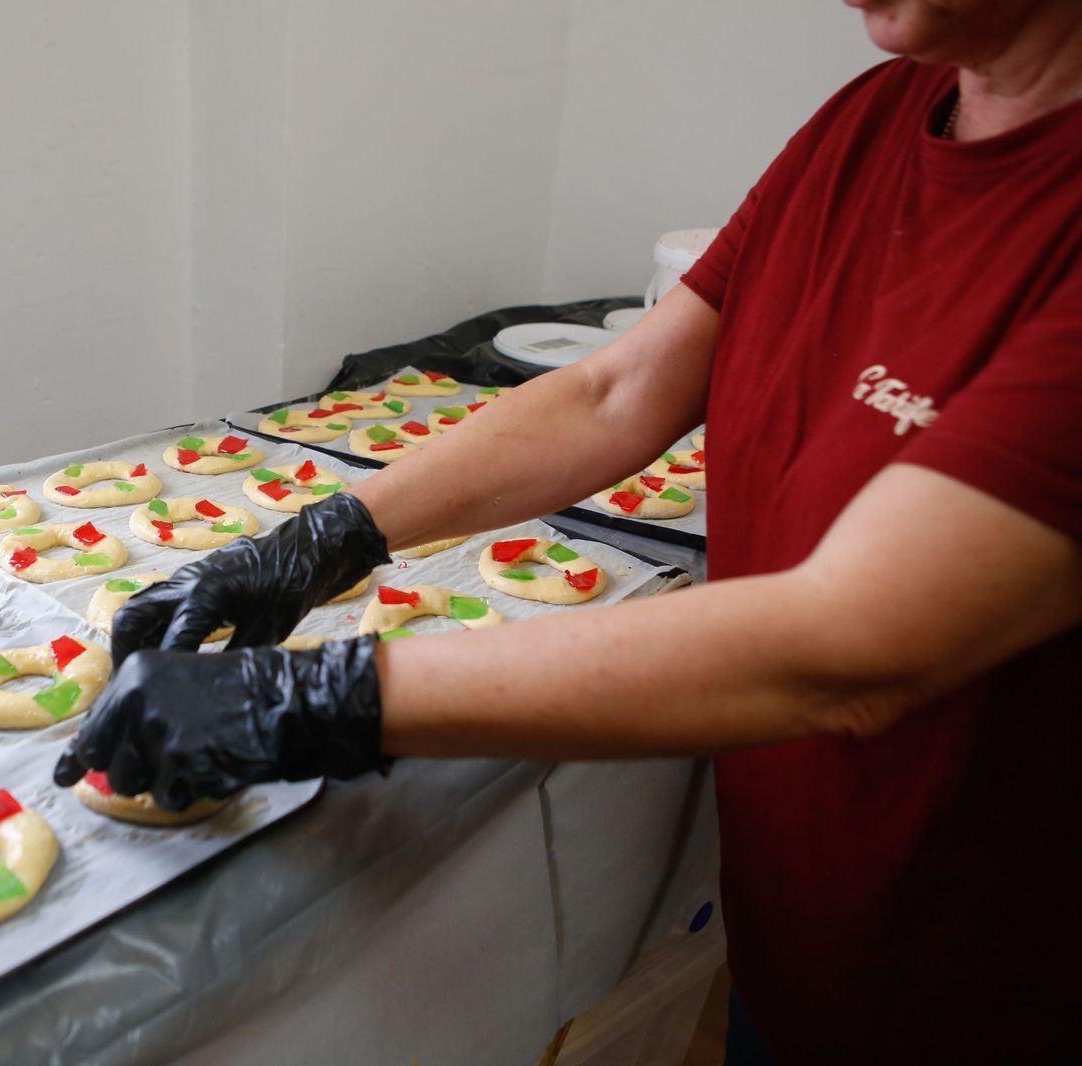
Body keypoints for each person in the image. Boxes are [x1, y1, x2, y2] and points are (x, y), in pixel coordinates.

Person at [56, 1, 1082, 1061]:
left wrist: (318, 697)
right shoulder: (870, 118)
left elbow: (853, 646)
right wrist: (327, 536)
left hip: (993, 973)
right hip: (808, 924)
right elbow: (615, 391)